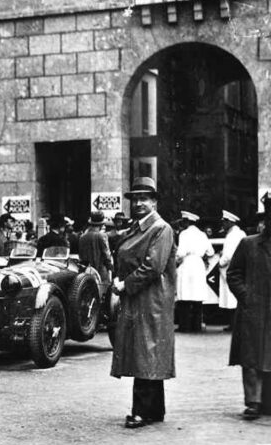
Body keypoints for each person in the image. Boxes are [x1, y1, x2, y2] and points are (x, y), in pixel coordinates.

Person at [110, 177, 176, 429]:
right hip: (142, 298)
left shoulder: (160, 228)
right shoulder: (139, 228)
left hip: (151, 299)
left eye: (143, 199)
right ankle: (154, 410)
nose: (138, 203)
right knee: (147, 351)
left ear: (154, 202)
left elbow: (153, 266)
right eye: (134, 199)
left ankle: (142, 410)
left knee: (145, 351)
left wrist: (125, 284)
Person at [227, 194, 271, 420]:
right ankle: (253, 401)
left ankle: (267, 402)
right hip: (254, 309)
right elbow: (233, 274)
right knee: (252, 357)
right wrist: (247, 297)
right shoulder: (249, 244)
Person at [175, 210, 213, 332]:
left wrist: (176, 261)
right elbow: (211, 252)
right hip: (198, 264)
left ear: (186, 222)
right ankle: (196, 326)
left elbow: (180, 253)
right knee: (197, 296)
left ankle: (184, 326)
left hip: (187, 263)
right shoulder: (202, 234)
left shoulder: (184, 234)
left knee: (185, 296)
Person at [218, 210, 245, 330]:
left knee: (231, 297)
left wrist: (220, 262)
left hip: (231, 268)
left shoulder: (232, 236)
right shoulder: (241, 233)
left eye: (224, 222)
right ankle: (235, 324)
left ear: (229, 222)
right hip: (241, 268)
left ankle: (234, 324)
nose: (222, 225)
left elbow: (228, 255)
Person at [78, 211, 113, 284]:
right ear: (102, 224)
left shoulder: (82, 237)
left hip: (85, 272)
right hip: (100, 272)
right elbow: (106, 255)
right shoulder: (102, 236)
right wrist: (111, 268)